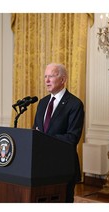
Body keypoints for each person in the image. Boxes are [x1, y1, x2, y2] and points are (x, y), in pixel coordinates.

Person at [33, 63, 84, 202]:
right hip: (41, 167)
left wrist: (44, 138)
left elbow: (72, 138)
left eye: (51, 76)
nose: (46, 80)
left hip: (63, 167)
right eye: (45, 76)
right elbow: (35, 132)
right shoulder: (43, 103)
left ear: (63, 79)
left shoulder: (75, 104)